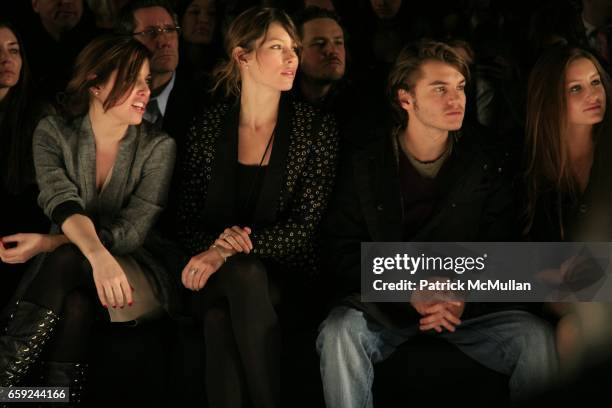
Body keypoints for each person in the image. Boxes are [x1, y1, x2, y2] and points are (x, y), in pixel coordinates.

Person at [316, 40, 558, 408]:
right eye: (440, 89)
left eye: (460, 87)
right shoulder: (365, 161)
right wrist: (408, 288)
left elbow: (503, 247)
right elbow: (342, 251)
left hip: (463, 305)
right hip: (387, 306)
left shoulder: (485, 157)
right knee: (338, 332)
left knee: (536, 339)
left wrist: (463, 295)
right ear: (405, 99)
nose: (456, 99)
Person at [0, 35, 179, 403]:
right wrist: (95, 256)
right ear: (95, 84)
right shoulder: (53, 133)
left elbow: (132, 232)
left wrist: (54, 243)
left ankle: (3, 379)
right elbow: (60, 201)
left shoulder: (158, 147)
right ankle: (50, 399)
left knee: (68, 257)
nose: (144, 91)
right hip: (78, 268)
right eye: (132, 79)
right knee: (77, 305)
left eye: (147, 80)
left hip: (136, 268)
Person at [176, 7, 339, 407]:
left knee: (221, 318)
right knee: (237, 282)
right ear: (242, 56)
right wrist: (215, 251)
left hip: (287, 277)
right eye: (277, 48)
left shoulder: (315, 129)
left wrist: (226, 249)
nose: (291, 59)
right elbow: (184, 220)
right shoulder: (207, 128)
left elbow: (305, 226)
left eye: (294, 49)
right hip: (209, 276)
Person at [523, 45, 612, 374]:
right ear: (550, 99)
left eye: (595, 82)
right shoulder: (534, 175)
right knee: (571, 330)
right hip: (570, 300)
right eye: (576, 88)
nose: (593, 94)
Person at [0, 21, 50, 311]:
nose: (6, 59)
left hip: (19, 234)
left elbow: (34, 201)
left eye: (13, 50)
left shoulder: (38, 116)